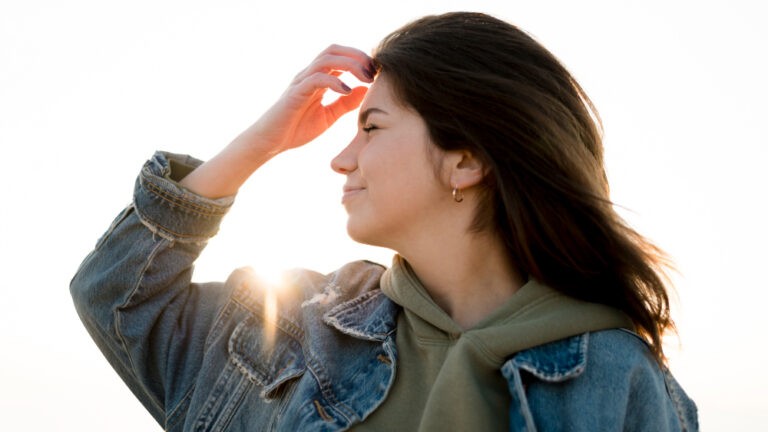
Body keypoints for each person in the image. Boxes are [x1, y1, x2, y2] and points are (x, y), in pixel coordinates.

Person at [70, 11, 698, 432]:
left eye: (371, 127)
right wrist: (261, 142)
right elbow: (116, 297)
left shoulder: (620, 382)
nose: (342, 158)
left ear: (467, 159)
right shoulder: (295, 330)